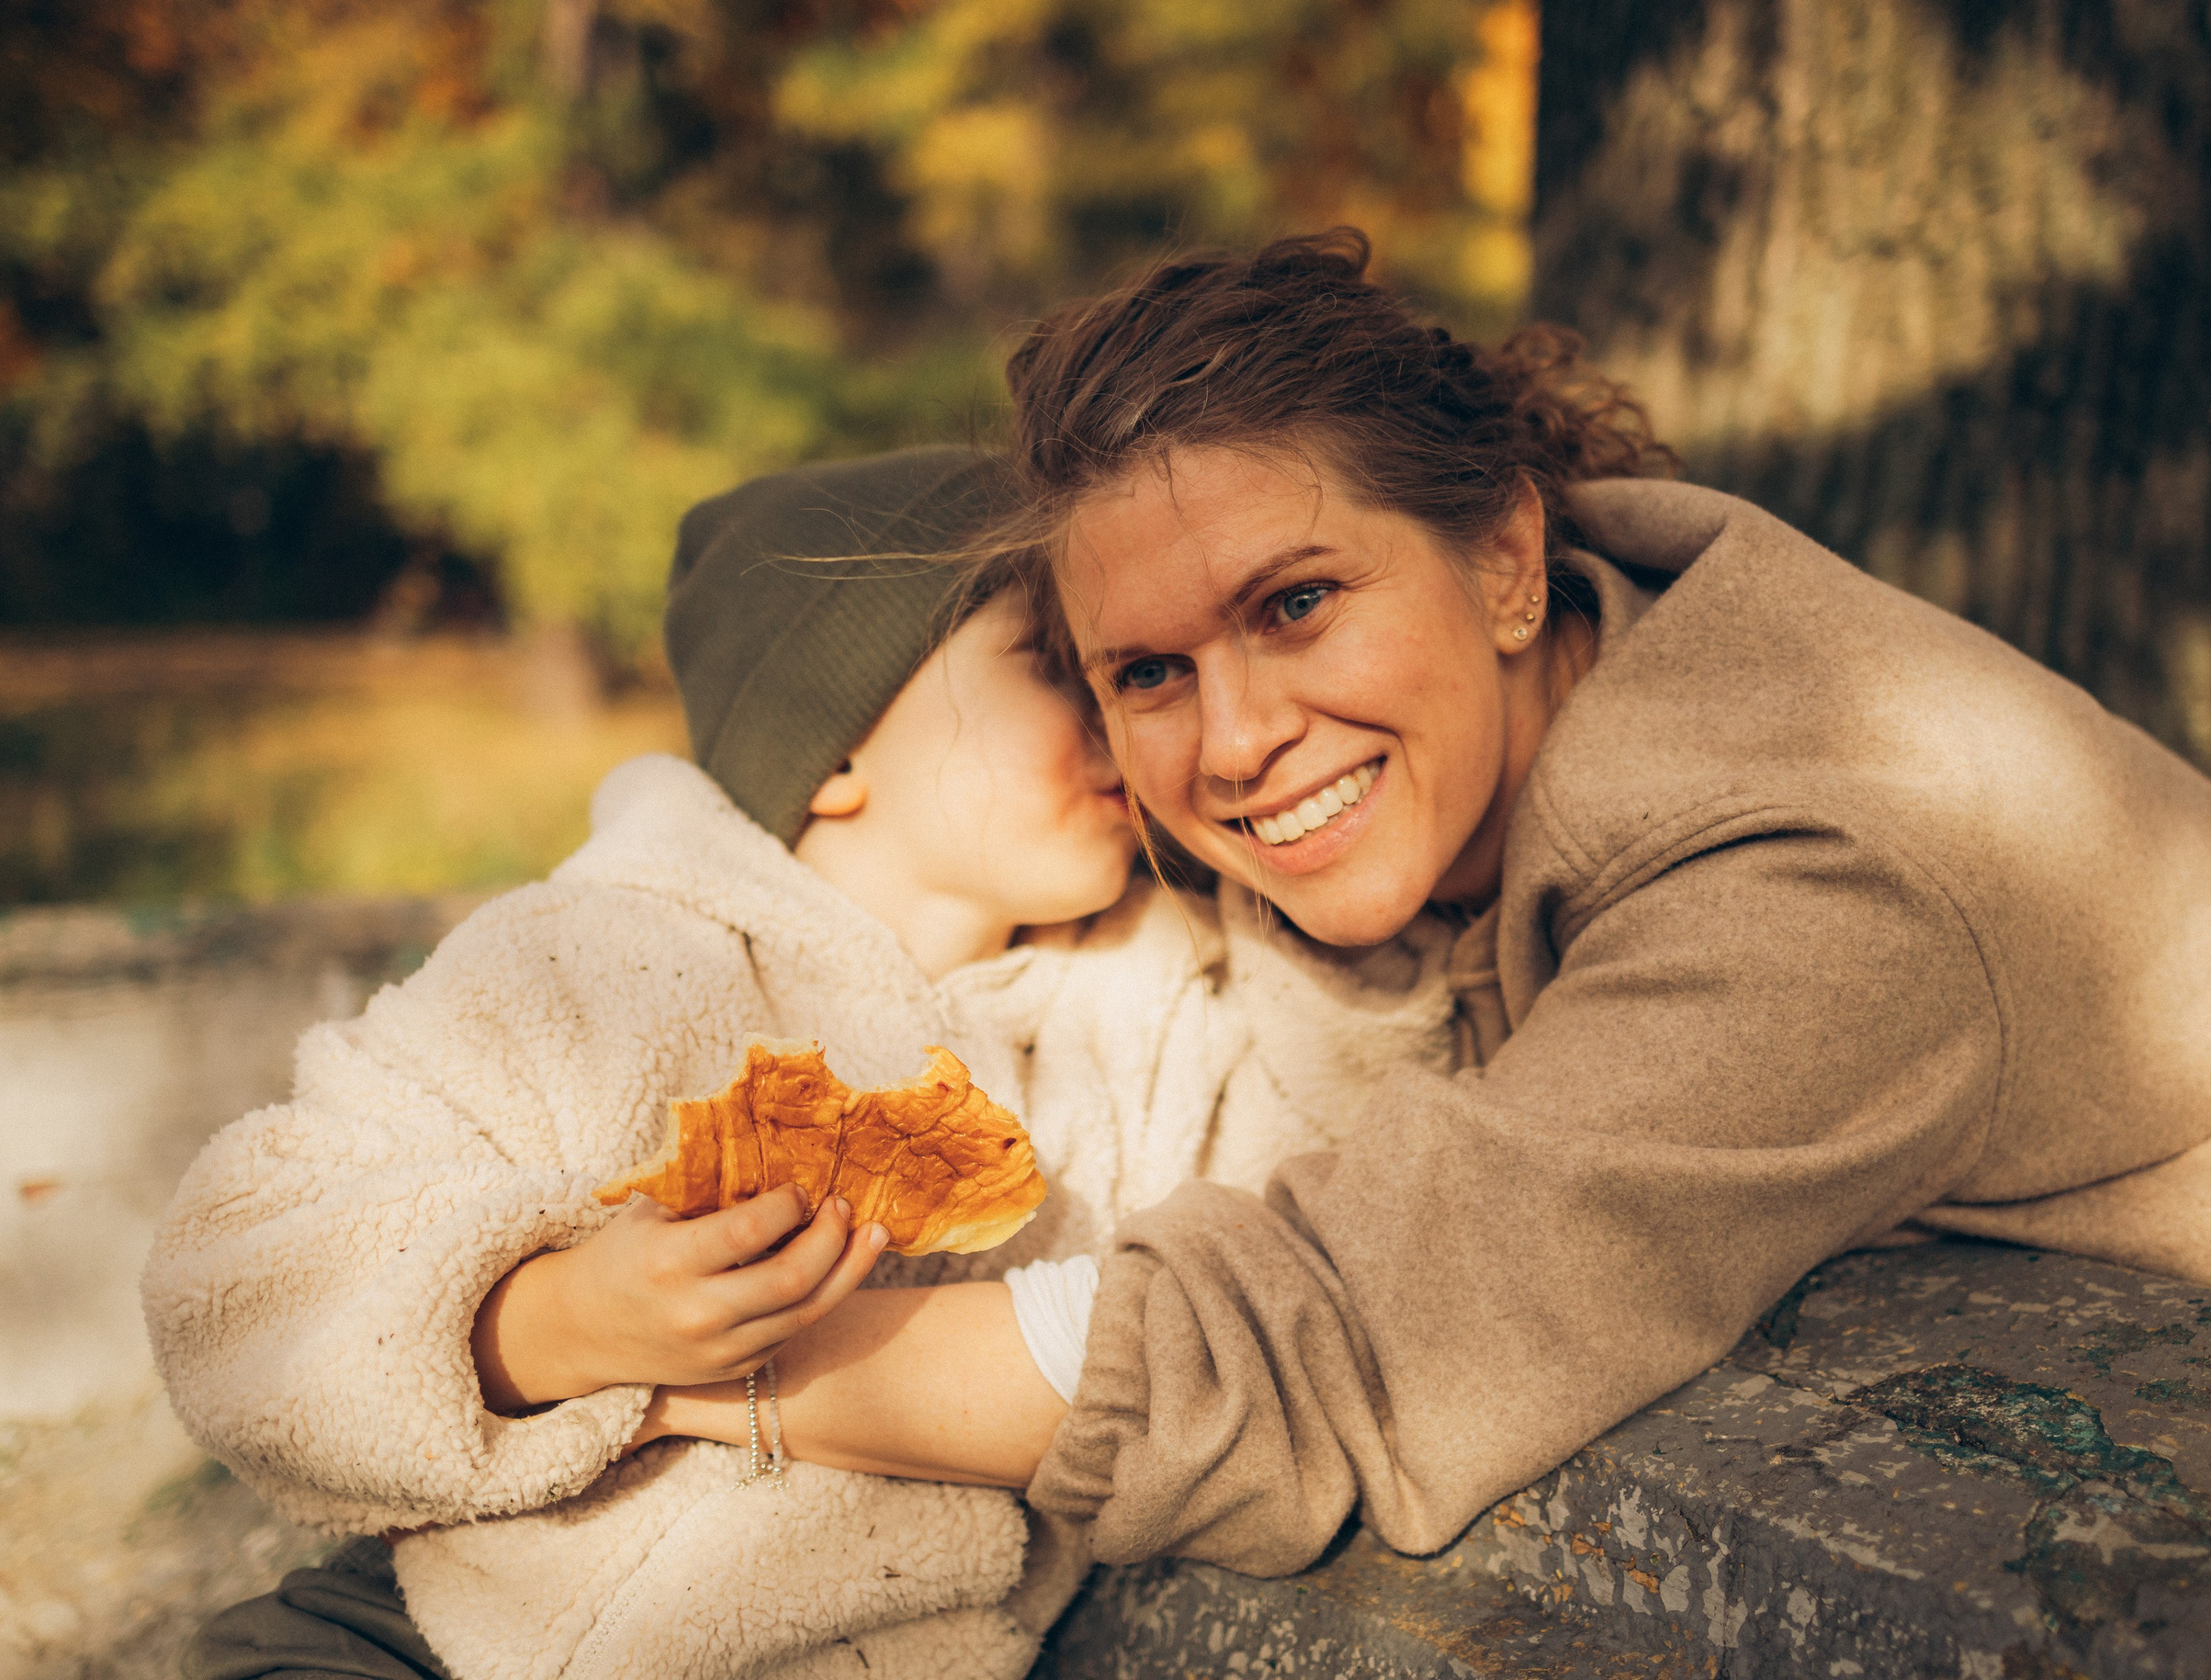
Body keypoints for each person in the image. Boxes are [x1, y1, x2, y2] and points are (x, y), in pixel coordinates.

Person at [752, 231, 2211, 1582]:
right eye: (1148, 673)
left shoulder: (1816, 859)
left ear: (1508, 556)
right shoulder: (1496, 735)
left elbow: (1342, 1349)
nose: (1232, 742)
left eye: (1296, 604)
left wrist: (677, 1369)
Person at [154, 446, 1457, 1680]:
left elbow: (1350, 1125)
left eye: (1128, 674)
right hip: (440, 1636)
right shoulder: (595, 956)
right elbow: (240, 1276)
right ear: (835, 752)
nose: (1121, 719)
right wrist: (557, 1317)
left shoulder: (1157, 996)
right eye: (1053, 668)